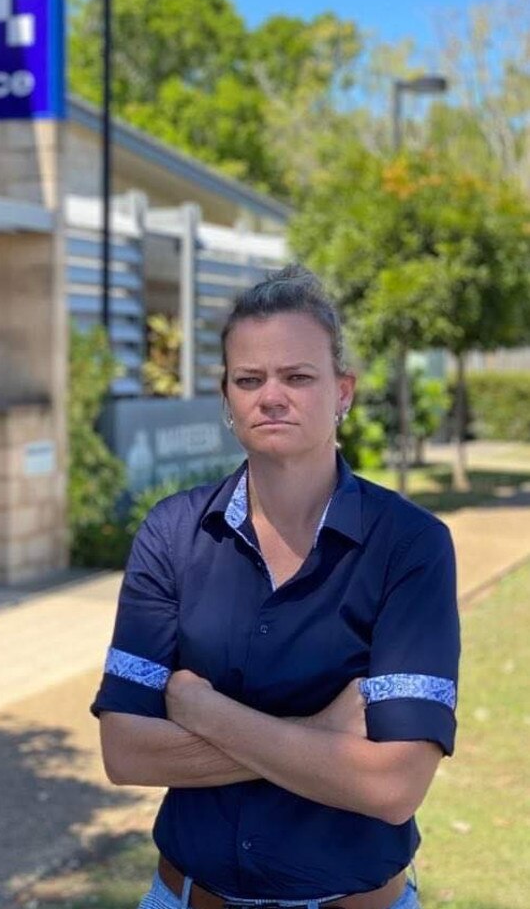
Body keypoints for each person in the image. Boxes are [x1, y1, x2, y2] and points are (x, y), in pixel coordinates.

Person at [91, 264, 460, 909]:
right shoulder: (172, 533)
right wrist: (325, 734)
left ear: (342, 391)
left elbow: (395, 784)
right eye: (249, 379)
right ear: (227, 397)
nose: (272, 396)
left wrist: (205, 713)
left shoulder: (410, 545)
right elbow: (125, 751)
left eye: (298, 376)